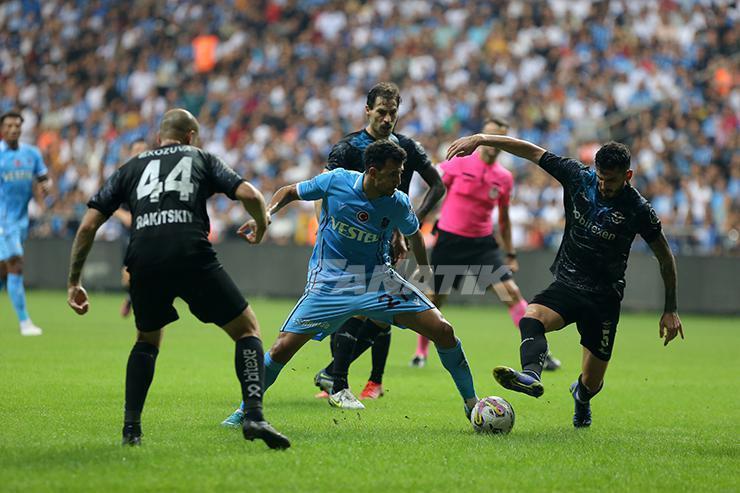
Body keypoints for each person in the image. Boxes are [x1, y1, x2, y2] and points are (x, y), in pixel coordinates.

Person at [221, 82, 445, 426]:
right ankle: (337, 379)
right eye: (381, 112)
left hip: (385, 241)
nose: (387, 119)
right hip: (343, 248)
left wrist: (405, 228)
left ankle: (339, 376)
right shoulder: (347, 149)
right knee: (358, 314)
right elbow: (319, 192)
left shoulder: (408, 148)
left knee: (380, 321)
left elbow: (438, 185)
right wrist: (328, 237)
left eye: (393, 113)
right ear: (367, 111)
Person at [66, 109, 290, 449]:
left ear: (159, 138)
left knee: (146, 341)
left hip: (143, 258)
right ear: (190, 137)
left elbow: (87, 226)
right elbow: (251, 196)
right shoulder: (200, 158)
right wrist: (260, 226)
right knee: (247, 329)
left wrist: (74, 282)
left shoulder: (130, 168)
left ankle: (131, 431)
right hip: (191, 253)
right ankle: (254, 415)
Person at [446, 133, 684, 427]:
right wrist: (482, 139)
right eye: (600, 178)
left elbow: (665, 256)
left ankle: (581, 397)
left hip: (604, 298)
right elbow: (531, 152)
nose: (604, 186)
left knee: (592, 382)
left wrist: (671, 309)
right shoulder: (578, 177)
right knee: (531, 317)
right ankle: (531, 375)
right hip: (568, 284)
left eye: (611, 180)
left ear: (628, 175)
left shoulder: (638, 210)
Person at [410, 118, 560, 372]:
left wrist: (510, 252)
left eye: (497, 138)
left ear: (502, 142)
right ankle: (421, 352)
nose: (491, 144)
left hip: (482, 245)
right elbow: (435, 189)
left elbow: (503, 219)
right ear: (481, 138)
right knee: (434, 299)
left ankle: (539, 351)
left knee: (510, 292)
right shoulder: (458, 163)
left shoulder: (504, 178)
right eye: (487, 136)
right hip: (450, 241)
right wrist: (419, 215)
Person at [0, 111, 51, 336]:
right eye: (9, 126)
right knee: (16, 264)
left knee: (5, 268)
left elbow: (43, 179)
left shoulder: (32, 153)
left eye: (17, 126)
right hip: (3, 220)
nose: (13, 129)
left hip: (21, 220)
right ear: (3, 129)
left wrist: (45, 187)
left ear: (22, 128)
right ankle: (25, 322)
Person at [116, 138, 149, 318]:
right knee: (128, 275)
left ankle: (140, 302)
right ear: (130, 153)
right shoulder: (124, 176)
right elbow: (111, 204)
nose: (140, 153)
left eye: (143, 150)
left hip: (150, 229)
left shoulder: (155, 175)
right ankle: (130, 297)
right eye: (137, 149)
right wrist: (125, 216)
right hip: (130, 232)